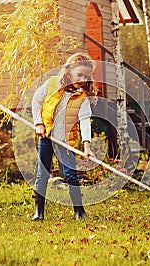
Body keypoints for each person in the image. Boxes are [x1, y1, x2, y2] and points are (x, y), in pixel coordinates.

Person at [31, 53, 97, 220]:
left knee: (71, 174)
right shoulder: (52, 84)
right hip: (47, 137)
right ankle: (39, 212)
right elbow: (36, 101)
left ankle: (79, 211)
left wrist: (87, 146)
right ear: (69, 71)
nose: (82, 79)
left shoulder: (82, 97)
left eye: (86, 76)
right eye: (79, 74)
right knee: (43, 173)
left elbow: (84, 120)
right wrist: (39, 123)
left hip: (66, 142)